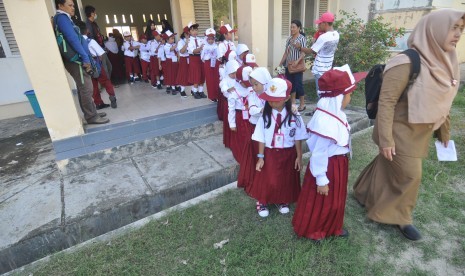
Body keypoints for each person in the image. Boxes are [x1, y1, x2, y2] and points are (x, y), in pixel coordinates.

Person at [353, 9, 464, 241]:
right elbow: (387, 102)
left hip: (420, 131)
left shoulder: (446, 60)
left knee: (385, 165)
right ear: (434, 29)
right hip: (399, 130)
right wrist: (386, 139)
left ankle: (362, 192)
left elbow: (444, 99)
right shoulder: (405, 61)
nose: (458, 35)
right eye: (454, 28)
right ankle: (401, 218)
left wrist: (444, 130)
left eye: (461, 30)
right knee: (411, 176)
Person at [292, 65, 367, 241]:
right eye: (349, 94)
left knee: (335, 198)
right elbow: (318, 153)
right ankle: (315, 230)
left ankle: (333, 226)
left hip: (338, 165)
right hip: (327, 168)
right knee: (321, 199)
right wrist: (321, 178)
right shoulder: (325, 121)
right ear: (338, 97)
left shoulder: (335, 113)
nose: (351, 96)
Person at [249, 78, 307, 218]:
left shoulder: (294, 115)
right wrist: (260, 157)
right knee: (268, 178)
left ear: (287, 98)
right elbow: (261, 138)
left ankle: (282, 200)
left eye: (276, 100)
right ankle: (262, 201)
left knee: (285, 178)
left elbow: (298, 137)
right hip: (270, 153)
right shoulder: (265, 116)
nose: (272, 103)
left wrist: (299, 156)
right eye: (269, 99)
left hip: (288, 153)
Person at [54, 0, 108, 124]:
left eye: (73, 5)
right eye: (70, 5)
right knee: (86, 88)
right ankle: (91, 117)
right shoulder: (62, 18)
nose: (73, 8)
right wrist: (85, 58)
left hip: (76, 59)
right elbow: (73, 39)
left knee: (82, 87)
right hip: (76, 60)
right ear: (60, 6)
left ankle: (91, 113)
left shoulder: (65, 18)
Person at [237, 67, 272, 192]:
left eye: (256, 84)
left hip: (269, 129)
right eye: (252, 84)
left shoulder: (272, 94)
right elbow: (251, 110)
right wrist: (262, 110)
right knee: (256, 154)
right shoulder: (253, 94)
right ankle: (256, 178)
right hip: (256, 128)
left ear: (265, 82)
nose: (254, 87)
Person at [298, 12, 339, 103]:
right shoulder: (336, 35)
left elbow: (312, 50)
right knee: (325, 93)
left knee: (320, 94)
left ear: (325, 23)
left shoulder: (323, 37)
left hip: (320, 70)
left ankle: (321, 112)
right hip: (328, 68)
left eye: (320, 23)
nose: (319, 25)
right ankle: (319, 110)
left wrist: (300, 47)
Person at [77, 20, 117, 109]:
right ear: (87, 30)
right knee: (106, 81)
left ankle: (98, 103)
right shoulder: (91, 41)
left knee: (94, 85)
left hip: (85, 66)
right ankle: (112, 96)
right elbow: (101, 54)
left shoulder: (77, 43)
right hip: (96, 65)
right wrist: (100, 65)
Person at [278, 19, 307, 112]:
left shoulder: (302, 38)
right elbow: (286, 53)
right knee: (290, 85)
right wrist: (281, 63)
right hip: (288, 65)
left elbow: (303, 53)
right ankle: (293, 104)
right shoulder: (289, 39)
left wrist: (297, 61)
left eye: (294, 27)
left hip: (297, 66)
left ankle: (302, 104)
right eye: (291, 27)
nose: (292, 29)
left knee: (299, 85)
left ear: (299, 28)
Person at [84, 5, 112, 80]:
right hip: (98, 50)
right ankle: (108, 85)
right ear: (92, 14)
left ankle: (107, 83)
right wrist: (96, 52)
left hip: (101, 48)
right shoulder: (88, 25)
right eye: (95, 12)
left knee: (109, 67)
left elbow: (98, 35)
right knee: (105, 68)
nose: (96, 14)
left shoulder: (94, 23)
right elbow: (91, 39)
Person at [217, 24, 237, 120]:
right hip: (225, 67)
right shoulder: (221, 45)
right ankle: (223, 111)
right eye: (230, 33)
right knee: (225, 84)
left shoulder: (232, 44)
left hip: (233, 66)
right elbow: (220, 58)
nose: (231, 35)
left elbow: (235, 54)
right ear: (225, 34)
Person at [220, 60, 240, 149]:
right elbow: (222, 87)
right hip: (228, 103)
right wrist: (228, 89)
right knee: (230, 121)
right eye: (233, 73)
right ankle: (229, 142)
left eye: (236, 73)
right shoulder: (225, 79)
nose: (235, 75)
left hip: (237, 103)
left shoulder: (238, 79)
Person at [187, 22, 206, 99]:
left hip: (201, 58)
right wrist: (200, 48)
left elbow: (204, 48)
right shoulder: (189, 41)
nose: (195, 32)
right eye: (193, 30)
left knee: (202, 74)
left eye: (196, 30)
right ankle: (194, 91)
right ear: (189, 32)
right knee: (196, 75)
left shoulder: (200, 39)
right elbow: (193, 51)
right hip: (194, 58)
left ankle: (201, 91)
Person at [176, 25, 191, 98]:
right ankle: (182, 90)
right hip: (184, 59)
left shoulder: (192, 39)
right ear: (185, 34)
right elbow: (181, 51)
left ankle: (193, 90)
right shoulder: (180, 42)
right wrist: (187, 43)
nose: (190, 35)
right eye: (188, 34)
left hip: (190, 58)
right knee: (183, 75)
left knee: (190, 74)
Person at [163, 30, 179, 95]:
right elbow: (171, 49)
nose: (173, 40)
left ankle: (176, 85)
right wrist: (177, 45)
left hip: (175, 61)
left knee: (175, 74)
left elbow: (177, 51)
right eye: (171, 38)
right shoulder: (166, 46)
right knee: (171, 74)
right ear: (167, 39)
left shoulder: (174, 44)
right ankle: (172, 88)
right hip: (169, 61)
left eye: (173, 38)